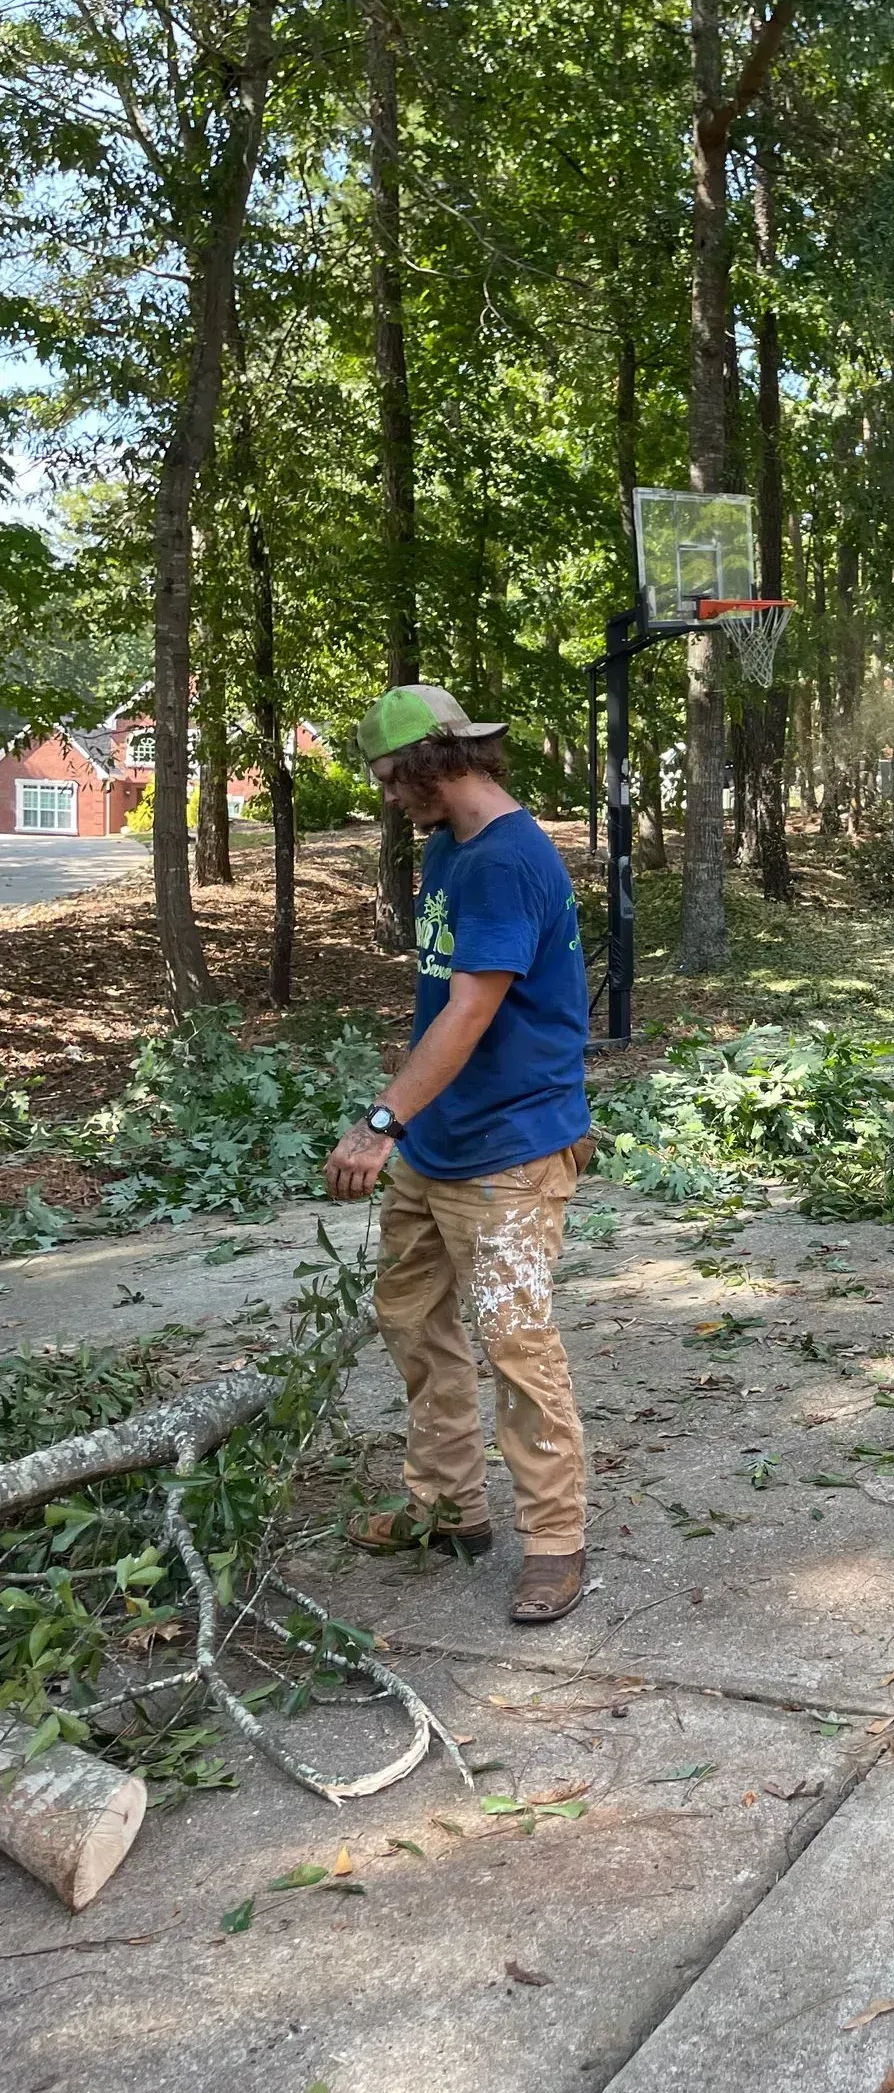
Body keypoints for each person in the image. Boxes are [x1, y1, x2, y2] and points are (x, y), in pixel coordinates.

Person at [323, 686, 593, 1625]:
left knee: (516, 1342)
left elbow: (474, 1010)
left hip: (509, 1149)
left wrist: (380, 1121)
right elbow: (441, 1004)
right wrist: (410, 1123)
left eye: (394, 781)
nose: (391, 799)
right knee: (412, 1318)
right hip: (438, 1145)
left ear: (436, 763)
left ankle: (555, 1540)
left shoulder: (510, 860)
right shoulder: (449, 849)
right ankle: (448, 1509)